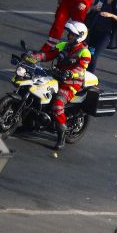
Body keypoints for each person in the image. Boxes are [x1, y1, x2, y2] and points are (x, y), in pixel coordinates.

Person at [28, 21, 92, 150]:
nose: (69, 36)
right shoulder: (63, 45)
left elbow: (81, 69)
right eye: (69, 34)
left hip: (71, 83)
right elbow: (48, 55)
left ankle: (61, 135)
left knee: (57, 105)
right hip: (56, 76)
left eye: (72, 35)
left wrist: (70, 73)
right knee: (35, 90)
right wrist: (33, 57)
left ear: (79, 36)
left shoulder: (85, 53)